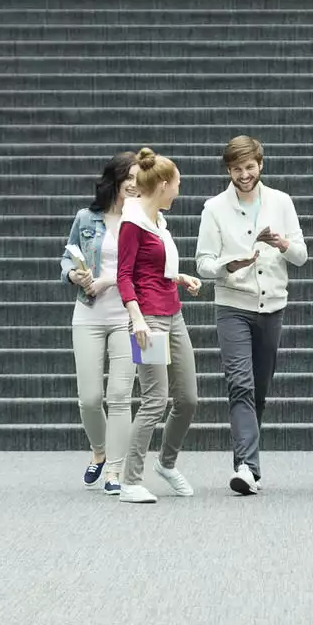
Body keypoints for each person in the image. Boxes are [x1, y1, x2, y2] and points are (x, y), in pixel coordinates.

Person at [195, 135, 308, 496]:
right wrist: (231, 264)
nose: (244, 174)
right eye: (236, 169)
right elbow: (203, 264)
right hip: (233, 305)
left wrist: (283, 243)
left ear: (260, 164)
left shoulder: (281, 202)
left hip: (272, 305)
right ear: (228, 170)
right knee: (239, 384)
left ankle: (249, 463)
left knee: (258, 389)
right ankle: (246, 465)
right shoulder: (214, 207)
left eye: (249, 167)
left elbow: (302, 256)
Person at [115, 148, 201, 503]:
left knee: (188, 398)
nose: (179, 190)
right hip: (147, 318)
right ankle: (130, 480)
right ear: (164, 185)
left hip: (172, 311)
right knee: (154, 399)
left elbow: (154, 269)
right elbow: (125, 276)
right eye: (177, 184)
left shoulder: (159, 223)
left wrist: (180, 277)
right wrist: (136, 319)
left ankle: (166, 463)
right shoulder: (132, 223)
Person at [62, 151, 139, 495]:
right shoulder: (86, 217)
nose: (137, 185)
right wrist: (74, 274)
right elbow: (67, 256)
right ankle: (99, 450)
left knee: (121, 396)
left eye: (141, 179)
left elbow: (150, 269)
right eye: (131, 179)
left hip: (131, 316)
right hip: (88, 313)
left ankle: (116, 471)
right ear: (117, 180)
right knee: (90, 398)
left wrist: (110, 278)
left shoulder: (146, 220)